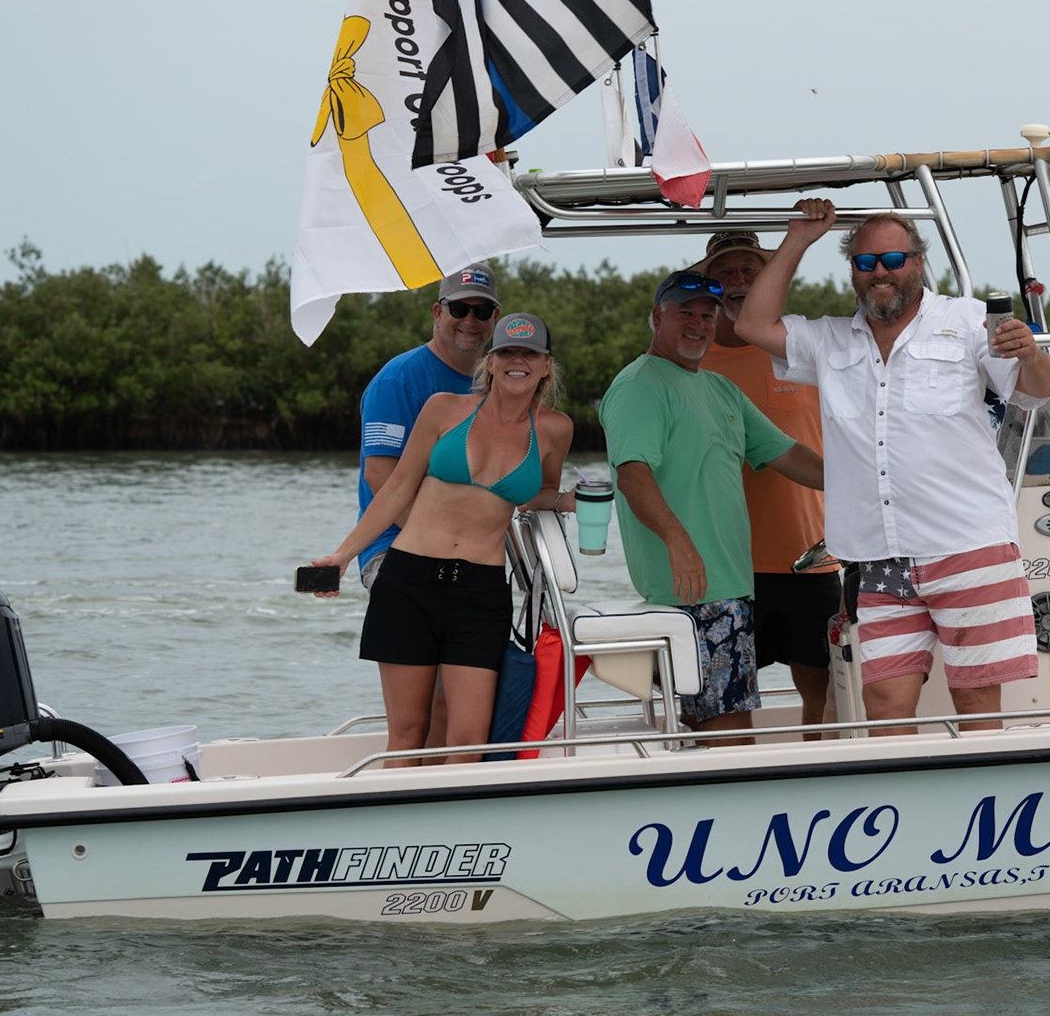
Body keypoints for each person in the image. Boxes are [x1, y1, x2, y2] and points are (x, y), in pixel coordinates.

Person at [734, 201, 1050, 736]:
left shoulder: (970, 320)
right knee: (882, 700)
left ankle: (985, 810)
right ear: (853, 273)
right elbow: (751, 323)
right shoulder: (829, 338)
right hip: (878, 554)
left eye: (892, 259)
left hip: (967, 544)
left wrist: (1032, 352)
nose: (880, 271)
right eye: (865, 263)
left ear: (919, 262)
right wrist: (798, 239)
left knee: (977, 699)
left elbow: (1036, 391)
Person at [314, 313, 572, 766]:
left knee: (469, 741)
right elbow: (395, 489)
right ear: (490, 362)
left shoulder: (555, 429)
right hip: (409, 582)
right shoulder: (443, 408)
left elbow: (537, 490)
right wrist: (342, 555)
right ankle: (397, 834)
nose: (518, 361)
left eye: (528, 354)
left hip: (479, 593)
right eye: (507, 352)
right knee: (408, 734)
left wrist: (567, 500)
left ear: (545, 365)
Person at [601, 271, 826, 745]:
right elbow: (633, 475)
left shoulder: (720, 388)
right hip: (689, 595)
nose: (698, 324)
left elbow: (788, 455)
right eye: (685, 312)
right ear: (657, 316)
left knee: (722, 731)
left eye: (708, 314)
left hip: (730, 590)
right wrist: (678, 541)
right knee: (730, 739)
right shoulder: (640, 385)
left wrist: (869, 483)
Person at [693, 231, 841, 735]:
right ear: (706, 286)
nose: (737, 282)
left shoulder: (803, 352)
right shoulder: (687, 361)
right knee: (716, 697)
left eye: (749, 271)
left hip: (812, 554)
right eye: (724, 273)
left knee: (827, 685)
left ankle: (824, 769)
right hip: (720, 563)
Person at [356, 263, 500, 589]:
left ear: (495, 318)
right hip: (395, 549)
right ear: (438, 312)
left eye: (482, 311)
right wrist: (439, 544)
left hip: (470, 552)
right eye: (460, 309)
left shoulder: (494, 385)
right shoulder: (397, 380)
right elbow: (378, 474)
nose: (470, 321)